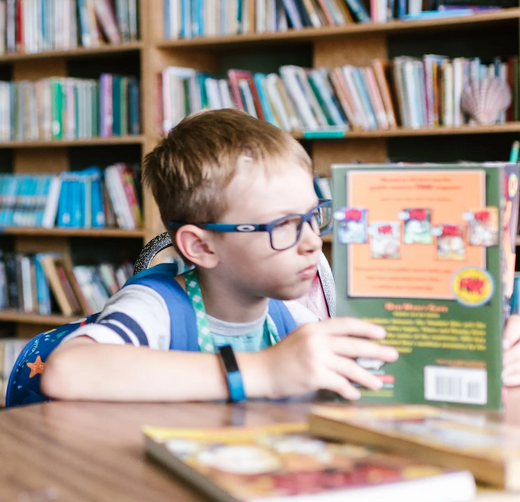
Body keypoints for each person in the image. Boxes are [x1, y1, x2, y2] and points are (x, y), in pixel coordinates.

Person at [40, 109, 520, 402]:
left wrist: (484, 359)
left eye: (314, 216)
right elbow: (68, 369)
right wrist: (267, 370)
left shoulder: (292, 313)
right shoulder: (159, 306)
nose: (313, 241)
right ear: (201, 246)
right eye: (283, 227)